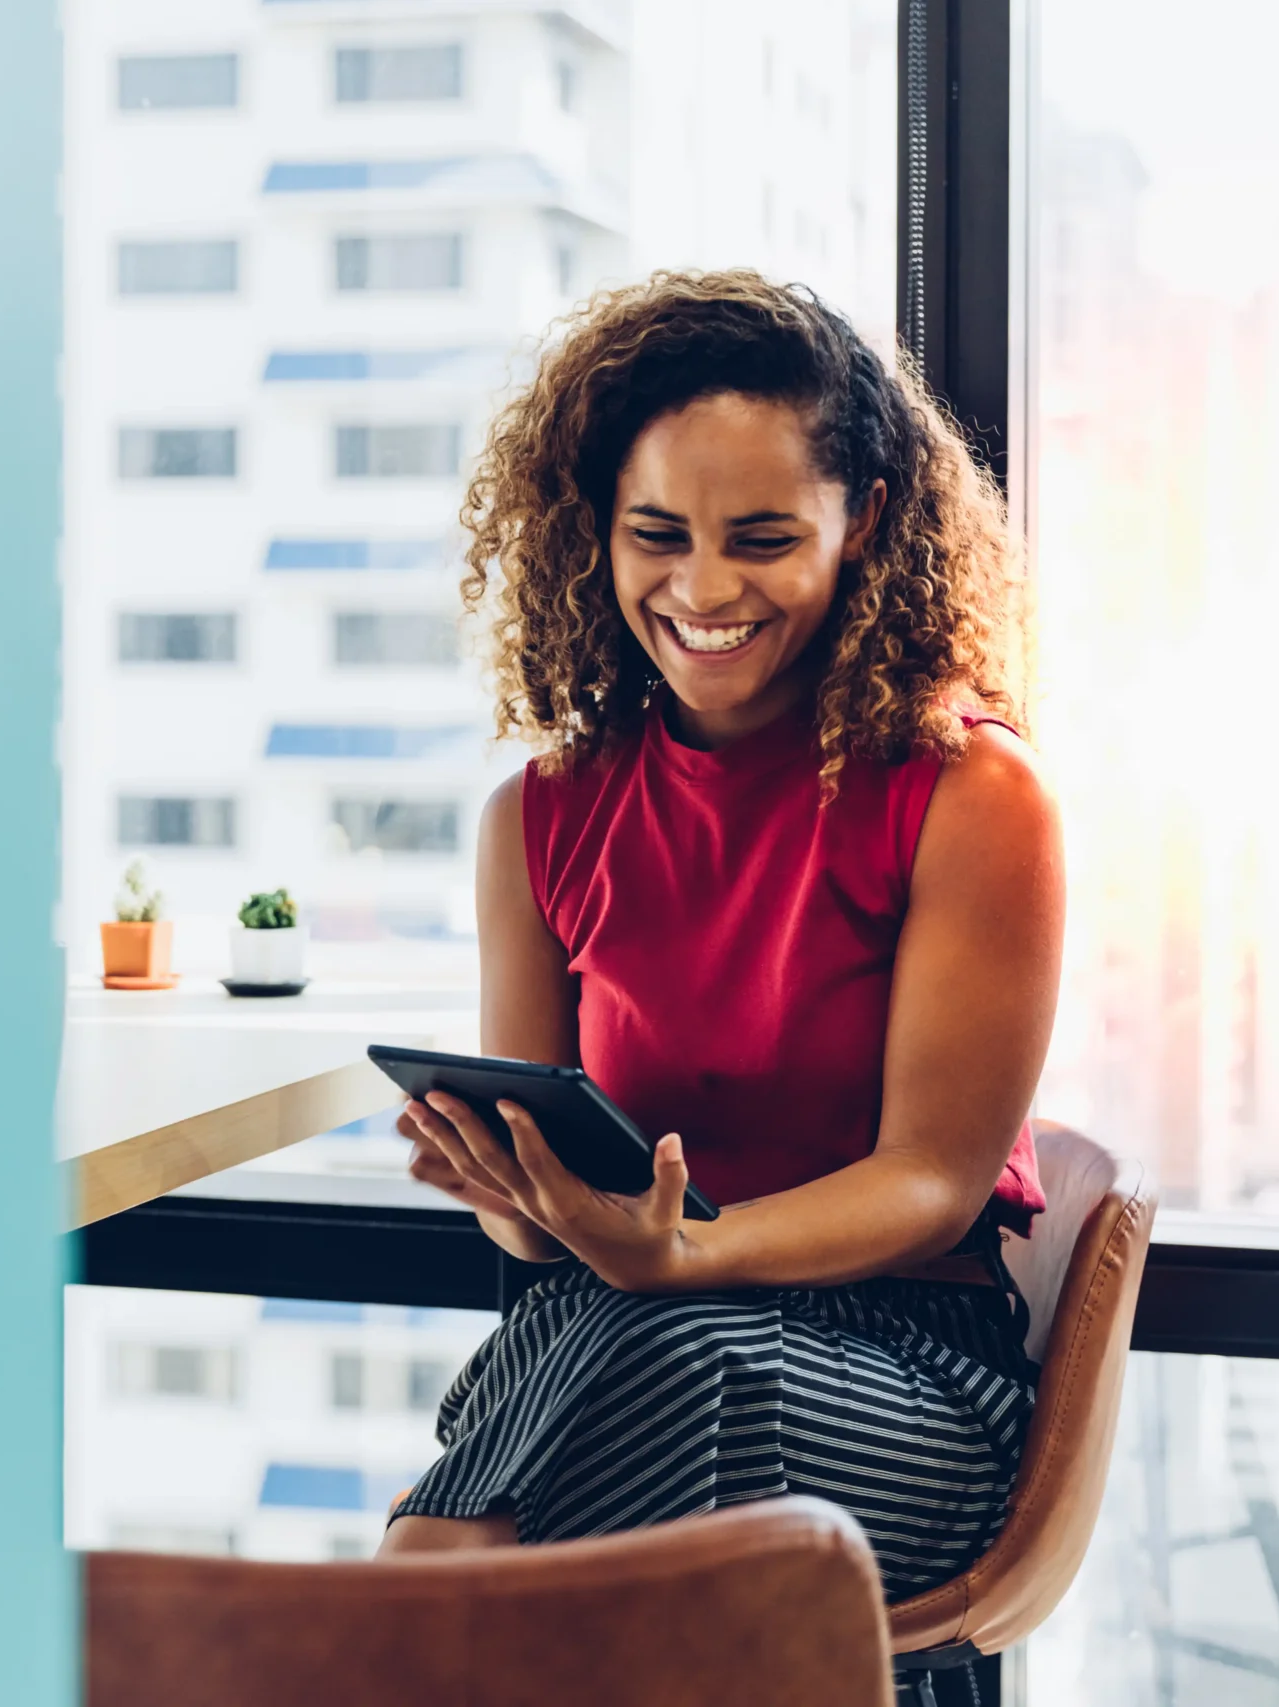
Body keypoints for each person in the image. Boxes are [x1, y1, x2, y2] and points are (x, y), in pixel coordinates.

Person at [379, 271, 1064, 1604]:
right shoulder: (536, 821)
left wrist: (688, 1251)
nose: (703, 588)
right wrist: (527, 1199)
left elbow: (931, 1175)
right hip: (618, 1332)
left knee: (483, 1538)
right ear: (598, 533)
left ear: (862, 521)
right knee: (592, 1407)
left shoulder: (973, 798)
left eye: (760, 537)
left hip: (904, 1367)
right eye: (657, 534)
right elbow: (538, 1258)